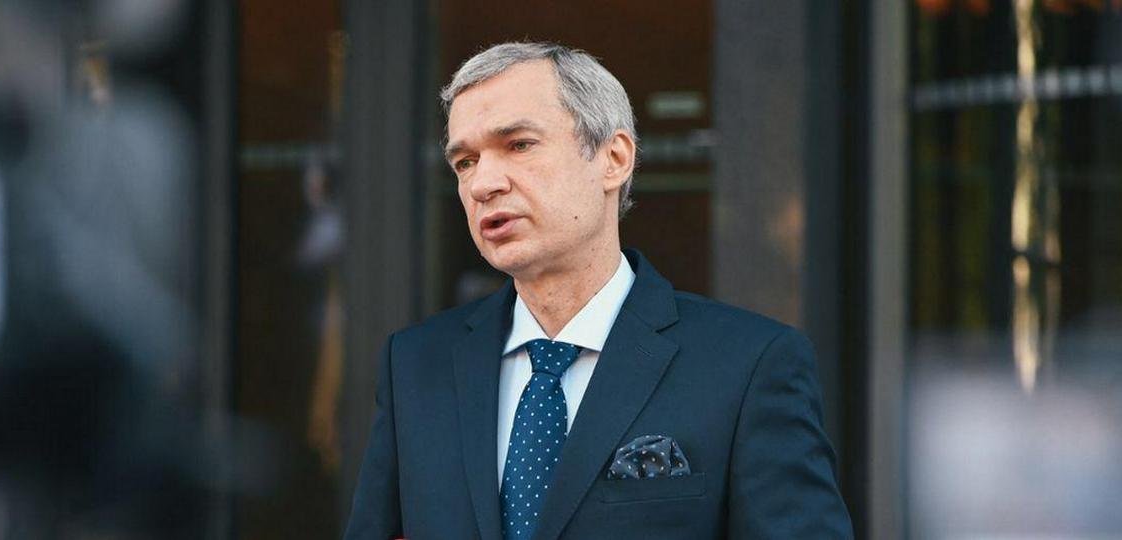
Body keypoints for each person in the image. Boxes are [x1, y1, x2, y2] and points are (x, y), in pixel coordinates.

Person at [343, 42, 853, 540]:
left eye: (519, 145)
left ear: (614, 158)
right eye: (465, 162)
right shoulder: (415, 365)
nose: (483, 184)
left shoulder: (749, 365)